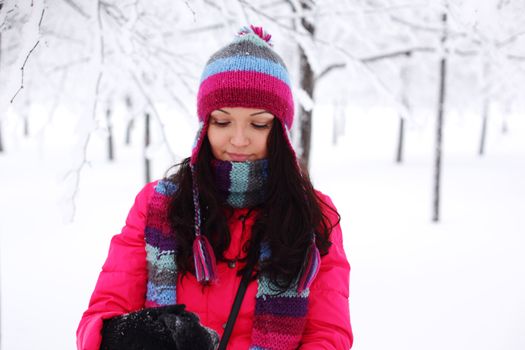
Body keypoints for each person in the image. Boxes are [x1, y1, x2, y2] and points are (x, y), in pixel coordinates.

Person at [77, 25, 353, 350]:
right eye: (222, 122)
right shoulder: (158, 205)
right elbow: (100, 316)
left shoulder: (313, 215)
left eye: (258, 123)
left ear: (280, 131)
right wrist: (127, 336)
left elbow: (329, 334)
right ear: (204, 126)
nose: (238, 139)